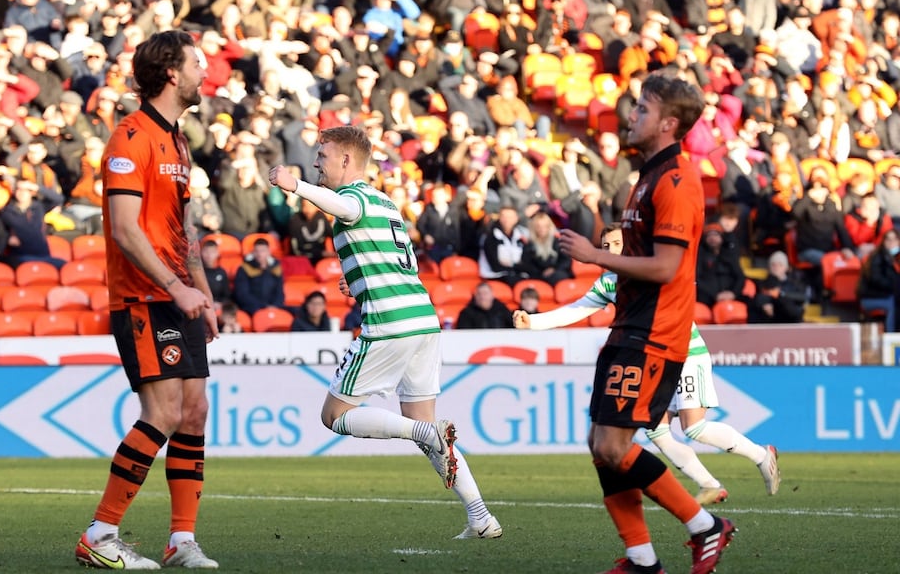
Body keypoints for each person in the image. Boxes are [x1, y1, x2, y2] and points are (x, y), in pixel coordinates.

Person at [269, 125, 502, 539]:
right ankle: (481, 515)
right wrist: (356, 281)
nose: (315, 162)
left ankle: (427, 434)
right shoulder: (386, 202)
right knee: (422, 423)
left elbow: (342, 209)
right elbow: (396, 261)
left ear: (346, 159)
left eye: (322, 156)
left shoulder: (353, 197)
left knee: (334, 416)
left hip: (390, 322)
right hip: (423, 320)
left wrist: (296, 186)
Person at [556, 73, 735, 574]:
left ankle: (705, 526)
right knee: (601, 446)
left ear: (667, 123)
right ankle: (641, 557)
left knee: (613, 445)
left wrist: (595, 256)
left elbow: (666, 267)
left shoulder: (676, 180)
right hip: (630, 324)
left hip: (655, 330)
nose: (631, 115)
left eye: (642, 109)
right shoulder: (647, 177)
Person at [75, 30, 220, 571]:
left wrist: (200, 288)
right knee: (161, 412)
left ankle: (181, 540)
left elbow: (183, 224)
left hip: (178, 294)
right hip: (142, 296)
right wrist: (177, 286)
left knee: (194, 412)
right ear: (172, 73)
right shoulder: (129, 138)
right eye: (198, 62)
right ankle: (101, 532)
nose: (207, 71)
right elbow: (124, 229)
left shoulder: (179, 140)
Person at [516, 223, 781, 503]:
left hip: (685, 353)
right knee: (656, 430)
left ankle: (762, 456)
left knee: (694, 428)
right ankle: (709, 484)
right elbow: (578, 309)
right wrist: (534, 322)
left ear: (631, 245)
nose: (610, 251)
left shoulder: (649, 272)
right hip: (656, 360)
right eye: (605, 247)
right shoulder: (608, 281)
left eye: (617, 244)